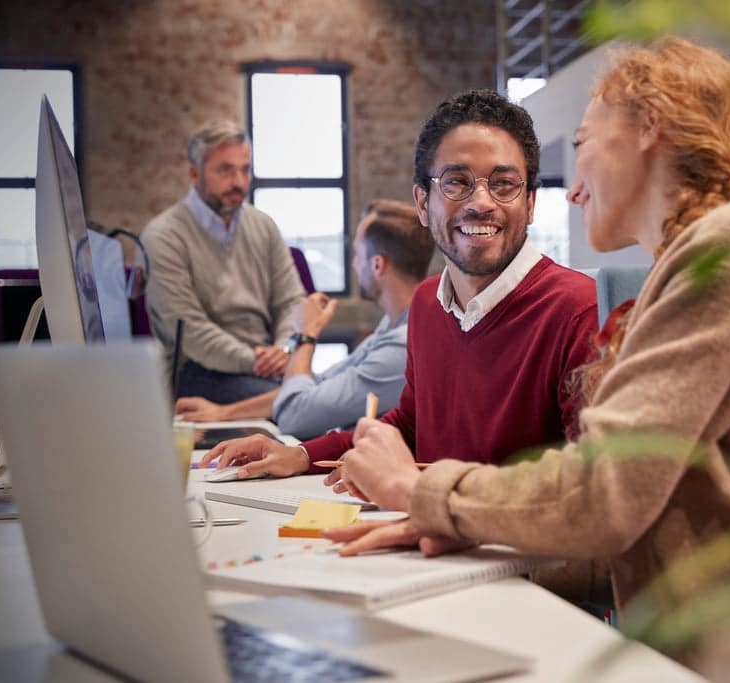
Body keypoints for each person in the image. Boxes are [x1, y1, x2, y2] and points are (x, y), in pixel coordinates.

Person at [316, 37, 730, 625]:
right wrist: (465, 530)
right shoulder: (685, 271)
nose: (572, 191)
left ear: (647, 129)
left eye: (586, 139)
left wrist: (417, 492)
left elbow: (605, 491)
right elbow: (635, 529)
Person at [201, 90, 599, 476]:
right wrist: (302, 454)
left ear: (530, 203)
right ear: (424, 203)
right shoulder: (427, 304)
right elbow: (410, 425)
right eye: (456, 182)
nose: (481, 202)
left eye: (504, 184)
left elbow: (589, 484)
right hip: (424, 534)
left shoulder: (579, 311)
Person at [173, 200, 434, 440]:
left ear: (377, 265)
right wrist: (223, 413)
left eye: (357, 254)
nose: (354, 264)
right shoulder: (393, 324)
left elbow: (294, 416)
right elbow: (319, 385)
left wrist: (305, 336)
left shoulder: (404, 346)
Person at [142, 120, 306, 403]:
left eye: (245, 169)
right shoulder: (163, 236)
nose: (239, 182)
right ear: (195, 173)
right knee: (299, 405)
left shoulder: (263, 225)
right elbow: (190, 331)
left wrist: (284, 350)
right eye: (225, 170)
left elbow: (292, 301)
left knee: (321, 399)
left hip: (261, 366)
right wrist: (259, 361)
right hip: (195, 371)